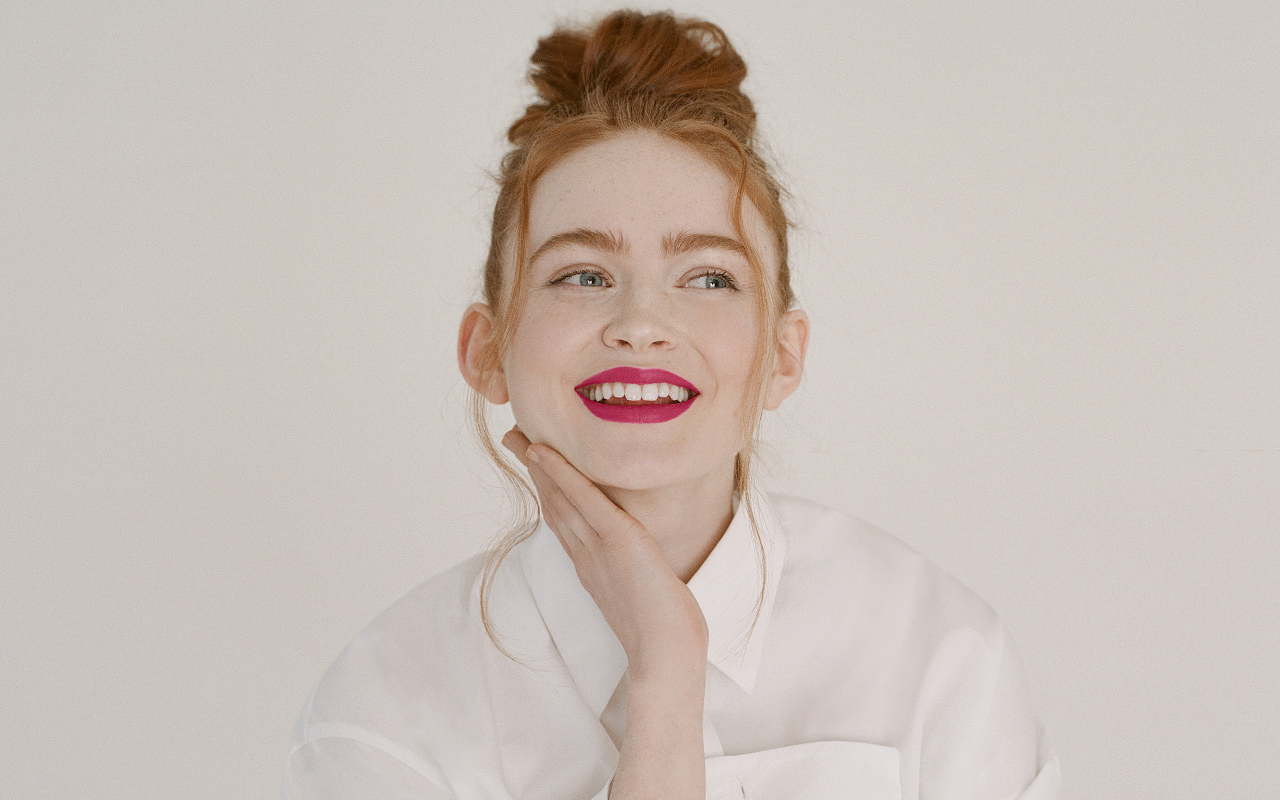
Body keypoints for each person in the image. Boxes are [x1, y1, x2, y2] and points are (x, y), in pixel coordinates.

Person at [285, 10, 1061, 800]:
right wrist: (664, 670)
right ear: (487, 350)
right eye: (582, 275)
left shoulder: (940, 655)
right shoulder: (383, 712)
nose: (641, 324)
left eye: (709, 278)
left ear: (783, 356)